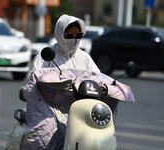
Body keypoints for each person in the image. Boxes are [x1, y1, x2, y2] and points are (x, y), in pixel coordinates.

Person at [20, 14, 135, 150]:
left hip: (82, 109)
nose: (74, 40)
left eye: (78, 36)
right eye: (69, 36)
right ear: (60, 34)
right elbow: (33, 79)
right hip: (50, 108)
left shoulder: (85, 57)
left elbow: (98, 77)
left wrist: (107, 87)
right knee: (43, 133)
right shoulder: (47, 56)